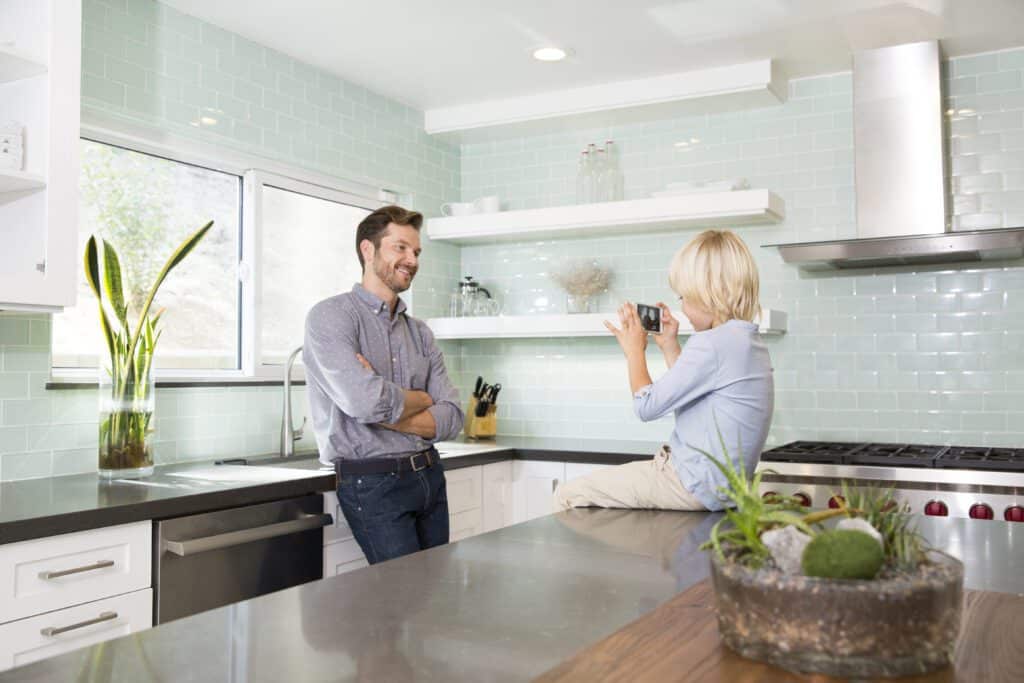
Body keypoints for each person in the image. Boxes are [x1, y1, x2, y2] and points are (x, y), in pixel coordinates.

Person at [553, 229, 773, 512]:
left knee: (567, 495)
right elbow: (694, 395)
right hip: (723, 490)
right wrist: (670, 346)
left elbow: (646, 406)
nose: (681, 305)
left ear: (707, 294)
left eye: (683, 296)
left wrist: (634, 351)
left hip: (688, 483)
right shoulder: (747, 341)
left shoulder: (711, 343)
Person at [304, 205, 464, 564]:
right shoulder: (331, 317)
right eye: (400, 248)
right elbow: (362, 402)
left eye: (416, 252)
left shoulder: (420, 332)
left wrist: (382, 402)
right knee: (403, 602)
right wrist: (420, 399)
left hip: (429, 476)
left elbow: (453, 418)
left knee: (437, 596)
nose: (412, 260)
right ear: (367, 250)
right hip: (373, 483)